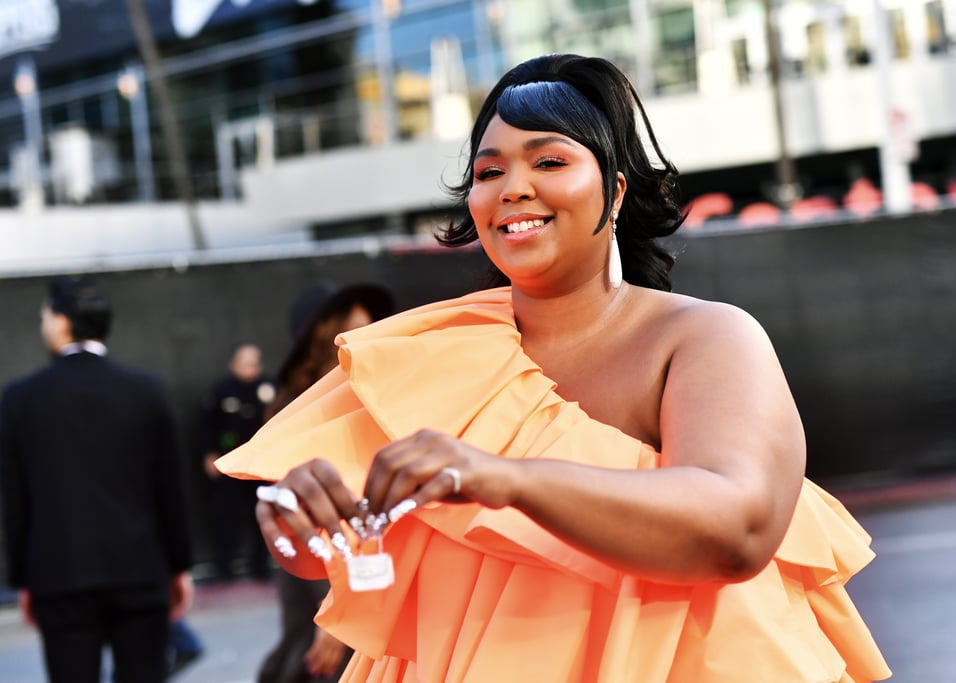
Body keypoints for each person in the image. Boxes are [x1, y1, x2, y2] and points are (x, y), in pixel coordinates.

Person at [218, 54, 891, 682]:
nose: (514, 188)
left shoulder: (705, 338)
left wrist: (506, 478)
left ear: (617, 189)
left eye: (548, 159)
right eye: (488, 172)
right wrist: (304, 530)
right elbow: (354, 563)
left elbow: (738, 527)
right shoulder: (425, 353)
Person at [0, 276, 194, 683]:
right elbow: (170, 491)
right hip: (141, 572)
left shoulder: (20, 399)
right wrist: (179, 566)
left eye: (45, 316)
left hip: (59, 576)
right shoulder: (147, 391)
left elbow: (16, 500)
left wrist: (22, 577)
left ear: (60, 322)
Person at [257, 281, 395, 683]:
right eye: (348, 334)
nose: (361, 344)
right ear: (319, 343)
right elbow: (302, 526)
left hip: (378, 585)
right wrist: (337, 615)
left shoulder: (380, 401)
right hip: (322, 582)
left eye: (369, 331)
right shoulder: (291, 416)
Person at [200, 342, 276, 582]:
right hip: (230, 463)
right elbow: (208, 426)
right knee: (226, 516)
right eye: (245, 363)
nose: (250, 368)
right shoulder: (222, 391)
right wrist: (209, 453)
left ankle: (261, 567)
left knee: (263, 515)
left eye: (254, 363)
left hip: (260, 464)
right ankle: (224, 568)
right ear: (234, 364)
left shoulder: (269, 388)